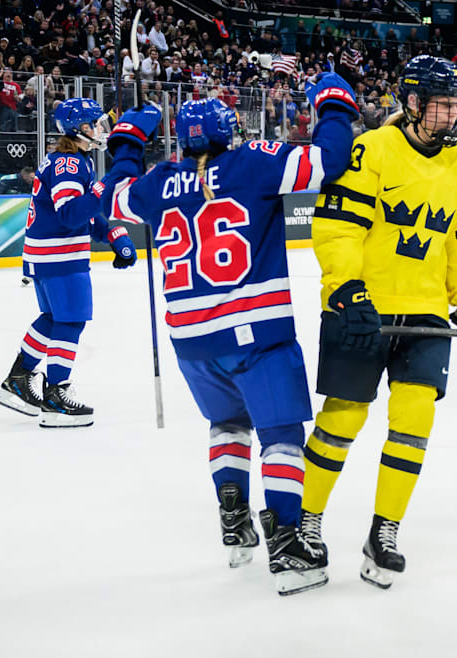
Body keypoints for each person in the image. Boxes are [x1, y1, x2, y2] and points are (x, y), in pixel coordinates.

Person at [98, 74, 358, 596]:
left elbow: (113, 199)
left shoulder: (159, 181)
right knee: (281, 437)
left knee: (228, 424)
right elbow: (329, 161)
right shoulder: (254, 162)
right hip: (256, 333)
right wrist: (333, 104)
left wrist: (127, 141)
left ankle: (235, 522)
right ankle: (287, 546)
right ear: (229, 131)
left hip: (192, 340)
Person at [299, 55, 457, 591]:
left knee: (415, 421)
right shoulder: (371, 149)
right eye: (442, 104)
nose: (452, 114)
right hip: (360, 306)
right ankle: (306, 523)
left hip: (425, 313)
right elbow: (339, 227)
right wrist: (344, 288)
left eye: (456, 104)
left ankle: (384, 532)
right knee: (343, 418)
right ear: (413, 102)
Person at [0, 97, 131, 428]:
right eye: (94, 124)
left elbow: (82, 213)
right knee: (71, 320)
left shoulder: (71, 160)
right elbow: (70, 214)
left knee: (53, 317)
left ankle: (19, 378)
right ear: (78, 128)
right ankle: (56, 395)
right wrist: (106, 186)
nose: (100, 129)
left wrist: (112, 235)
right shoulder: (69, 164)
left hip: (45, 254)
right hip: (60, 255)